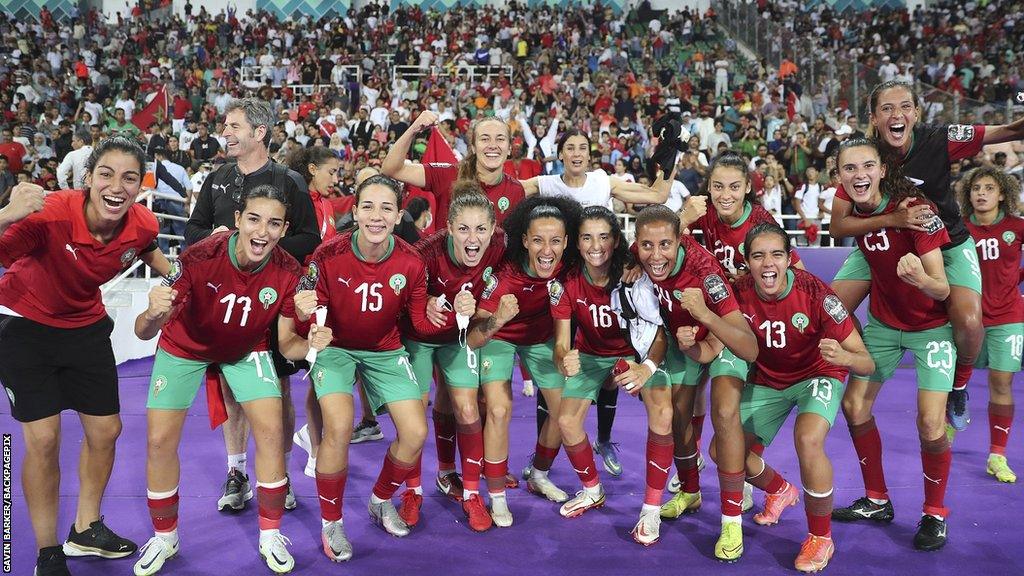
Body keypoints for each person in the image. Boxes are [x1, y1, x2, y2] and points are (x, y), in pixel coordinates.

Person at [0, 136, 171, 576]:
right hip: (24, 325)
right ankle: (47, 552)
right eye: (107, 174)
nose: (117, 186)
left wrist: (189, 276)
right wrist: (7, 214)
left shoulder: (142, 223)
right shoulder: (49, 213)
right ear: (88, 179)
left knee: (106, 430)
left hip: (85, 327)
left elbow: (149, 248)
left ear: (140, 185)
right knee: (44, 440)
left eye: (129, 177)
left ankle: (85, 529)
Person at [132, 185, 311, 576]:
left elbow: (286, 345)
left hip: (248, 349)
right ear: (237, 221)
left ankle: (270, 535)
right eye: (254, 219)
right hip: (183, 347)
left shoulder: (289, 271)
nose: (262, 231)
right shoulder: (197, 258)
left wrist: (312, 343)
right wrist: (151, 313)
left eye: (274, 223)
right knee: (159, 439)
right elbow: (144, 332)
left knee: (270, 431)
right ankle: (165, 538)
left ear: (284, 229)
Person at [828, 80, 1024, 433]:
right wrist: (893, 220)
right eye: (886, 108)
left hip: (945, 241)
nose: (897, 114)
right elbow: (838, 227)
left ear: (917, 113)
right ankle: (856, 362)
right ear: (873, 118)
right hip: (884, 238)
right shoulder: (863, 156)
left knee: (967, 322)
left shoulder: (941, 138)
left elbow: (1010, 129)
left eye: (905, 106)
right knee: (829, 307)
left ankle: (959, 385)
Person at [282, 174, 443, 560]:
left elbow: (419, 323)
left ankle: (380, 499)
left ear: (399, 214)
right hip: (335, 347)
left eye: (386, 208)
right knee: (337, 426)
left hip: (385, 350)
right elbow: (306, 316)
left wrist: (443, 312)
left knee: (417, 431)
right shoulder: (327, 255)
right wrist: (303, 317)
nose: (376, 216)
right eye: (368, 206)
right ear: (354, 212)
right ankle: (331, 523)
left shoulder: (411, 260)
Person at [698, 222, 873, 572]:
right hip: (767, 379)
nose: (768, 264)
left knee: (807, 438)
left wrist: (845, 358)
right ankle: (779, 489)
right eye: (758, 256)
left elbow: (865, 363)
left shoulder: (817, 294)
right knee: (721, 450)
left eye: (777, 255)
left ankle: (821, 538)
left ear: (790, 258)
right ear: (746, 261)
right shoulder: (738, 292)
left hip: (817, 374)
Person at [185, 97, 319, 514]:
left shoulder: (290, 181)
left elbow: (309, 238)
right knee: (230, 387)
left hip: (273, 300)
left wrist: (260, 246)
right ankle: (237, 471)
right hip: (224, 303)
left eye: (233, 126)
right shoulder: (216, 178)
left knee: (277, 389)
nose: (224, 132)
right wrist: (218, 240)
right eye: (225, 125)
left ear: (259, 133)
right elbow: (193, 230)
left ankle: (277, 474)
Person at [521, 129, 674, 477]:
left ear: (590, 155)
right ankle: (542, 450)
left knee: (610, 368)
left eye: (582, 148)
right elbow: (506, 189)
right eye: (569, 147)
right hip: (565, 283)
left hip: (606, 278)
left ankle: (603, 440)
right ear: (559, 154)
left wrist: (667, 157)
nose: (576, 153)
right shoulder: (545, 183)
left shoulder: (604, 181)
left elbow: (657, 194)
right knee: (558, 370)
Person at [830, 137, 956, 551]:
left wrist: (921, 279)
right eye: (849, 169)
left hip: (931, 327)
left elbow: (940, 289)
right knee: (854, 406)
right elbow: (839, 227)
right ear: (839, 177)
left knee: (931, 424)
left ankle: (935, 514)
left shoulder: (917, 209)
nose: (858, 175)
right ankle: (877, 499)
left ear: (883, 169)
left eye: (867, 166)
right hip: (884, 324)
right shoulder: (854, 206)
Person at [632, 204, 758, 557]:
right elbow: (648, 242)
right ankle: (690, 491)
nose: (655, 255)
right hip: (684, 339)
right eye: (646, 247)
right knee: (679, 415)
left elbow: (743, 339)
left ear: (681, 240)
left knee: (725, 415)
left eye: (664, 246)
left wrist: (704, 322)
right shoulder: (642, 252)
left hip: (724, 337)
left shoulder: (706, 273)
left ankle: (732, 520)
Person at [550, 206, 673, 536]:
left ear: (616, 240)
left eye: (604, 236)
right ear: (577, 242)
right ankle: (592, 489)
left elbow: (659, 332)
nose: (596, 245)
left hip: (635, 352)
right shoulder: (568, 282)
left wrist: (646, 368)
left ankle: (651, 509)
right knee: (566, 420)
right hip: (590, 354)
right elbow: (561, 343)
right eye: (587, 237)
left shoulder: (634, 274)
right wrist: (564, 359)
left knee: (663, 413)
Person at [467, 195, 582, 527]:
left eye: (555, 241)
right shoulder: (504, 276)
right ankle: (497, 496)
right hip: (500, 336)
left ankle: (539, 474)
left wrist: (564, 361)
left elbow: (610, 259)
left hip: (542, 338)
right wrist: (498, 319)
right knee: (500, 408)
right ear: (524, 241)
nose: (547, 250)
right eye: (538, 240)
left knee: (565, 413)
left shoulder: (569, 268)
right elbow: (478, 332)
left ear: (566, 242)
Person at [402, 184, 506, 531]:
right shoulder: (424, 252)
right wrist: (425, 301)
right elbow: (398, 292)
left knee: (466, 408)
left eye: (480, 229)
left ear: (493, 229)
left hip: (458, 337)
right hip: (419, 337)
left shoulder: (502, 245)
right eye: (463, 229)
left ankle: (471, 493)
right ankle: (412, 491)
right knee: (413, 415)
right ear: (448, 227)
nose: (472, 238)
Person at [957, 167, 1024, 482]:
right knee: (952, 384)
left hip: (1008, 318)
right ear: (968, 195)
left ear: (1002, 194)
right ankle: (948, 422)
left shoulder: (1017, 227)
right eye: (976, 188)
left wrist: (1015, 280)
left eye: (989, 188)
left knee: (1001, 383)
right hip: (967, 319)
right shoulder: (959, 230)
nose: (981, 193)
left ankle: (997, 455)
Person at [284, 145, 341, 479]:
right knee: (313, 370)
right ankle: (313, 446)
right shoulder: (296, 203)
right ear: (311, 169)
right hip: (300, 297)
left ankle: (310, 436)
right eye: (331, 172)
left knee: (322, 371)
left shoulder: (328, 204)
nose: (336, 178)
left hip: (323, 295)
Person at [383, 110, 526, 226]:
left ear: (509, 149)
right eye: (485, 139)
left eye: (500, 139)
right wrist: (413, 129)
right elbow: (391, 169)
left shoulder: (516, 190)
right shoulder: (447, 175)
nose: (493, 145)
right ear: (473, 147)